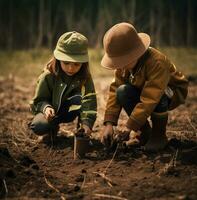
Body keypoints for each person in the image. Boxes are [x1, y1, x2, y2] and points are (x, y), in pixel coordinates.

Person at [100, 22, 188, 152]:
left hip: (170, 91)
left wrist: (130, 125)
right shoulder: (123, 66)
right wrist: (109, 123)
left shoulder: (157, 62)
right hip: (144, 89)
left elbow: (151, 97)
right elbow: (114, 91)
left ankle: (159, 135)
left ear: (135, 54)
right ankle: (144, 132)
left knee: (160, 94)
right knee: (122, 91)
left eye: (122, 61)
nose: (119, 66)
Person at [29, 31, 97, 143]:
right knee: (39, 126)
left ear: (83, 63)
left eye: (76, 64)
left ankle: (81, 131)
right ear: (58, 59)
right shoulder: (47, 76)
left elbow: (89, 102)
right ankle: (51, 128)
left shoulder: (85, 77)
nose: (71, 68)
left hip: (71, 111)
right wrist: (46, 108)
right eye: (66, 63)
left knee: (81, 99)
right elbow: (39, 100)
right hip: (51, 113)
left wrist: (87, 124)